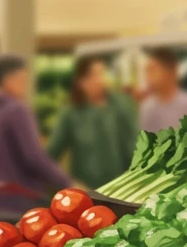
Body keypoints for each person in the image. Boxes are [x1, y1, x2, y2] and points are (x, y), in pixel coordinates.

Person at [0, 54, 70, 219]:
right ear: (8, 79)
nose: (25, 86)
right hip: (18, 207)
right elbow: (33, 158)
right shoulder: (17, 111)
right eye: (22, 80)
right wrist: (66, 183)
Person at [46, 57, 138, 191]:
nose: (99, 80)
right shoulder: (71, 114)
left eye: (101, 74)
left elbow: (134, 148)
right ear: (81, 82)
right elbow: (51, 155)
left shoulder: (122, 106)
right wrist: (67, 182)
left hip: (120, 192)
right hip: (86, 193)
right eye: (92, 75)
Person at [139, 48, 187, 133]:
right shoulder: (147, 108)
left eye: (153, 71)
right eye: (147, 72)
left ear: (170, 71)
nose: (148, 77)